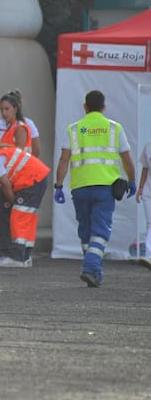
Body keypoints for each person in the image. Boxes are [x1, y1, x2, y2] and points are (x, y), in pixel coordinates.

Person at [54, 90, 136, 288]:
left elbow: (64, 160)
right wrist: (132, 181)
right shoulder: (114, 128)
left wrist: (58, 186)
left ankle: (95, 274)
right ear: (104, 107)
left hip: (80, 188)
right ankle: (91, 267)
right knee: (100, 231)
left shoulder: (74, 129)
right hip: (105, 189)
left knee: (86, 230)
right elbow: (126, 159)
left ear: (85, 107)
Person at [0, 139, 50, 268]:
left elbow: (5, 183)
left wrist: (13, 202)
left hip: (31, 180)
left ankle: (17, 257)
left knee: (20, 217)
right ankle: (21, 256)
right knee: (8, 215)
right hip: (34, 178)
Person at [0, 89, 41, 157]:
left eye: (7, 108)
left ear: (16, 107)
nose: (4, 113)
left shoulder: (22, 126)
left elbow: (35, 149)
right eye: (2, 109)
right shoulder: (0, 124)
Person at [136, 140, 151, 270]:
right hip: (148, 191)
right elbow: (145, 169)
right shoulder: (148, 146)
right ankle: (148, 255)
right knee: (150, 223)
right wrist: (140, 188)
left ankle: (148, 254)